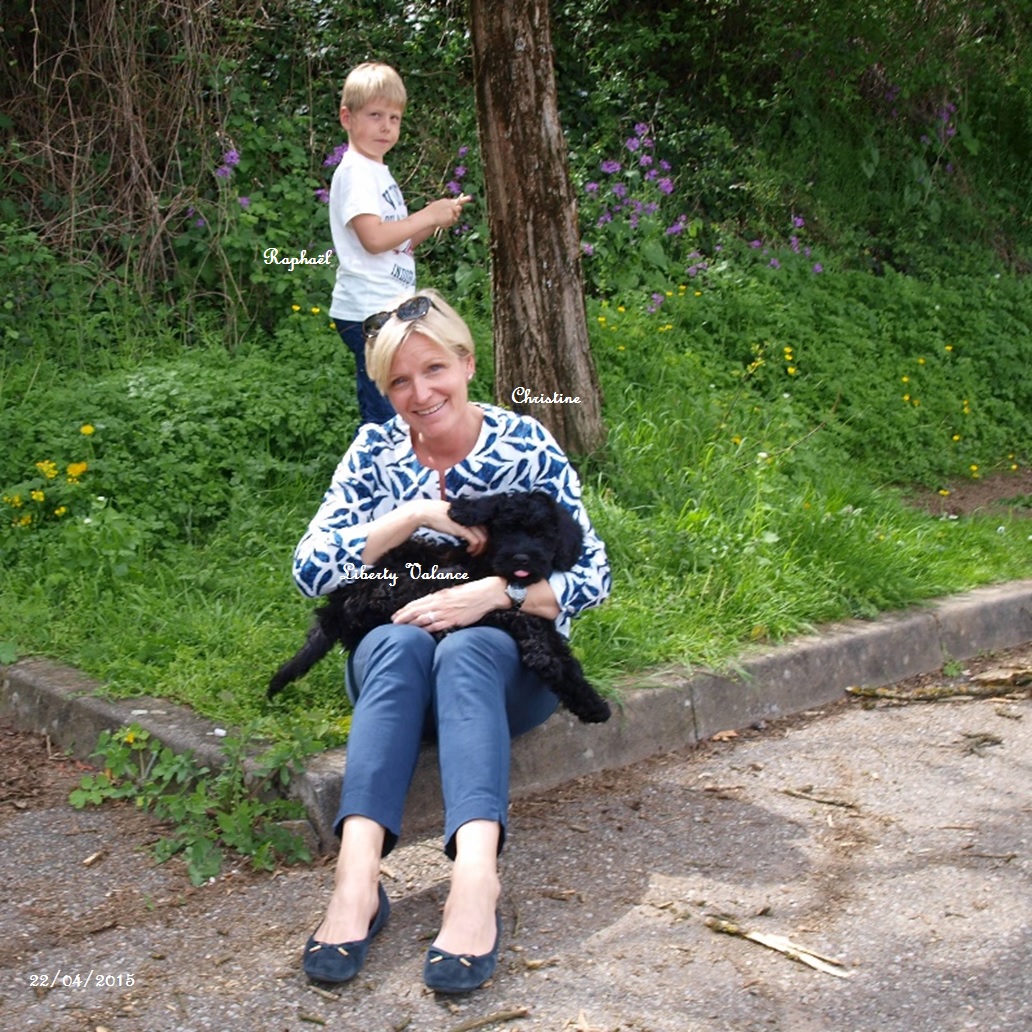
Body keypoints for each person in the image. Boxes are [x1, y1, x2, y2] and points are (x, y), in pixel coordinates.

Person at [292, 289, 610, 993]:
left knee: (468, 649)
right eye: (398, 381)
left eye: (434, 369)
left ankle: (474, 883)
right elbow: (308, 567)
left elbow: (595, 570)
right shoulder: (375, 451)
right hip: (395, 674)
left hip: (503, 683)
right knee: (401, 645)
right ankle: (355, 883)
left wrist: (496, 593)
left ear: (467, 363)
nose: (419, 392)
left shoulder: (524, 445)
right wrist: (407, 516)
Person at [328, 62, 471, 425]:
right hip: (368, 311)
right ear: (347, 117)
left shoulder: (376, 171)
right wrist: (426, 214)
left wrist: (437, 219)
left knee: (398, 395)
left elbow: (398, 242)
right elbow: (374, 239)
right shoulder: (357, 172)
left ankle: (402, 462)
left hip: (388, 303)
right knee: (386, 407)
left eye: (394, 118)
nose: (386, 126)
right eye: (375, 115)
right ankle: (381, 470)